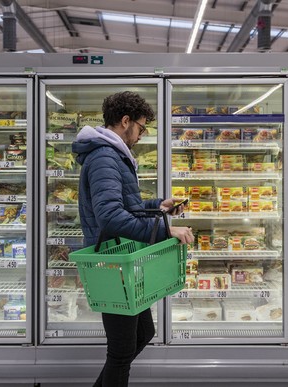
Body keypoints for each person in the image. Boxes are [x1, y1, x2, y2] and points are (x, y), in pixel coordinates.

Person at [72, 91, 194, 387]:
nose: (141, 134)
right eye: (141, 127)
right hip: (112, 264)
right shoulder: (104, 156)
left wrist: (157, 206)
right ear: (125, 121)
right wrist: (166, 231)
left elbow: (123, 205)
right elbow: (111, 216)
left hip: (123, 259)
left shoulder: (113, 154)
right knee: (121, 352)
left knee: (143, 335)